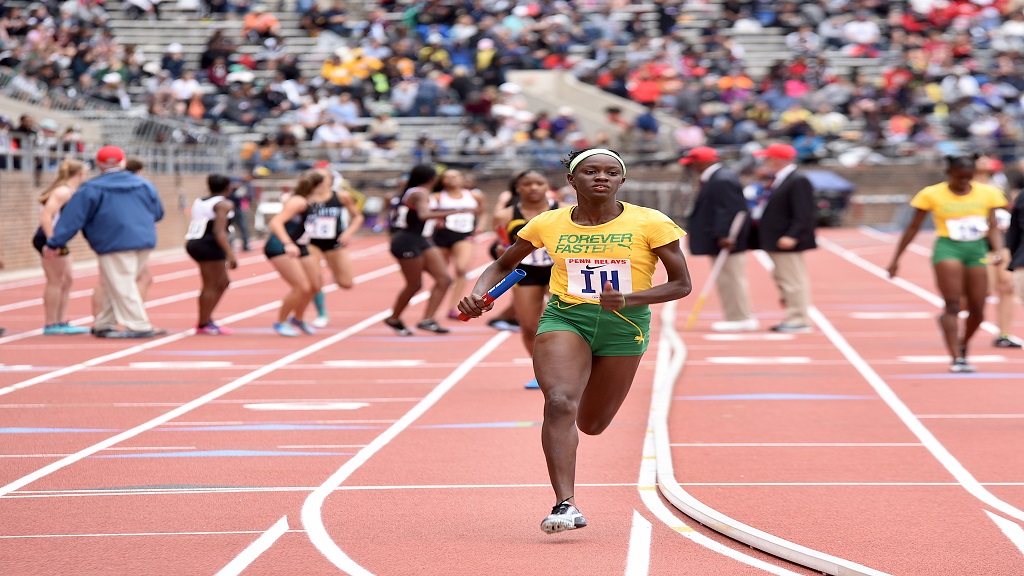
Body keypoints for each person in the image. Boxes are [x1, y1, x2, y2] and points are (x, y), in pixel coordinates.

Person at [458, 147, 692, 534]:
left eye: (611, 172)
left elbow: (682, 284)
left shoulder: (651, 222)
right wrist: (480, 292)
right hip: (567, 316)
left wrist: (629, 298)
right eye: (590, 172)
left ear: (621, 180)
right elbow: (503, 263)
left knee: (593, 423)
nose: (601, 177)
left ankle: (579, 401)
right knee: (560, 401)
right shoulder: (547, 223)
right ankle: (564, 504)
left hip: (625, 325)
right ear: (571, 180)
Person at [887, 155, 1008, 373]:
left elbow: (992, 226)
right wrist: (896, 259)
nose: (963, 181)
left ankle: (963, 344)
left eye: (968, 177)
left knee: (978, 309)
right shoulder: (931, 194)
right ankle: (956, 358)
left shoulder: (988, 193)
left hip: (976, 249)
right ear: (949, 173)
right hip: (948, 247)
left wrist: (998, 250)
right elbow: (913, 228)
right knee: (952, 304)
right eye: (959, 177)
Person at [44, 146, 166, 339]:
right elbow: (158, 213)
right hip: (144, 240)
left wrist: (54, 242)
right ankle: (104, 322)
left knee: (122, 282)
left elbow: (72, 219)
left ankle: (139, 325)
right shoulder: (144, 184)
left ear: (98, 164)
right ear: (123, 162)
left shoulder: (92, 187)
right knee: (115, 282)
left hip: (112, 241)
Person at [384, 164, 473, 336]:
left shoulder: (415, 192)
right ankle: (394, 318)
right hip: (407, 241)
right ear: (433, 178)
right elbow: (424, 215)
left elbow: (425, 212)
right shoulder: (420, 193)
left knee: (444, 279)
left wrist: (444, 212)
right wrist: (454, 211)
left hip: (422, 240)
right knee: (415, 284)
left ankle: (427, 319)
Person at [493, 169, 560, 389]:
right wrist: (499, 249)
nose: (533, 188)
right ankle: (541, 373)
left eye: (538, 183)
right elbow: (499, 249)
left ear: (546, 186)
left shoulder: (564, 212)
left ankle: (571, 368)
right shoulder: (505, 216)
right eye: (527, 184)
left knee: (567, 323)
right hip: (524, 272)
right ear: (518, 188)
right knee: (530, 326)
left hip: (558, 271)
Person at [679, 146, 758, 332]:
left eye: (692, 164)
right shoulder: (716, 178)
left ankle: (740, 317)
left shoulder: (722, 180)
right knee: (726, 278)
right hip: (720, 238)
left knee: (731, 278)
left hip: (727, 240)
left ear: (703, 162)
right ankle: (735, 316)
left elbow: (731, 210)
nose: (691, 168)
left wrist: (726, 235)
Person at [749, 143, 817, 333]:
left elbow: (804, 212)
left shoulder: (797, 180)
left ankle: (799, 318)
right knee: (783, 278)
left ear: (777, 160)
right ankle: (793, 315)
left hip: (786, 240)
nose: (764, 162)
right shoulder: (779, 179)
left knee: (793, 280)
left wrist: (792, 235)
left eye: (767, 158)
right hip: (775, 239)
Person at [264, 169, 332, 337]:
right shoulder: (299, 202)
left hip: (301, 245)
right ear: (320, 185)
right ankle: (280, 321)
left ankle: (298, 318)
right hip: (280, 246)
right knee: (301, 287)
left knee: (315, 285)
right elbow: (276, 222)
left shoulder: (306, 200)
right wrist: (288, 243)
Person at [33, 159, 91, 335]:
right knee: (56, 281)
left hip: (58, 239)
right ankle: (51, 323)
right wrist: (51, 241)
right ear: (80, 174)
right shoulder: (63, 191)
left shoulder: (70, 191)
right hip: (48, 238)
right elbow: (45, 217)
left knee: (67, 280)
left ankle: (60, 320)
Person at [307, 166, 365, 328]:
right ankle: (322, 314)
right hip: (311, 242)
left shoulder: (341, 196)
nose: (319, 181)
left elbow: (358, 217)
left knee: (346, 283)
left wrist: (348, 233)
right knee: (315, 280)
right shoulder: (305, 197)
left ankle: (335, 270)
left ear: (330, 180)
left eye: (323, 177)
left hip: (334, 242)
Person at [974, 156, 1022, 348]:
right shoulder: (965, 187)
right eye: (982, 161)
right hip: (977, 243)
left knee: (1007, 286)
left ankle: (1004, 333)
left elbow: (1008, 208)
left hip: (1000, 240)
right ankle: (967, 326)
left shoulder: (998, 184)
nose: (987, 164)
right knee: (983, 290)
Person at [185, 174, 238, 335]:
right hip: (209, 245)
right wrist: (230, 254)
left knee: (223, 282)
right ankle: (203, 323)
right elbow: (218, 231)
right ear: (228, 188)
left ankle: (207, 319)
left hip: (195, 242)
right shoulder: (224, 204)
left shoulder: (200, 200)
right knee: (211, 284)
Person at [432, 168, 487, 320]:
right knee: (442, 275)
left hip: (464, 234)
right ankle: (433, 308)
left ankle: (453, 307)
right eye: (447, 177)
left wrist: (480, 227)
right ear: (442, 180)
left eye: (455, 176)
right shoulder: (437, 197)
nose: (451, 179)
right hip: (442, 236)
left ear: (462, 179)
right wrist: (436, 221)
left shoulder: (474, 196)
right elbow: (428, 214)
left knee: (462, 269)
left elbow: (483, 211)